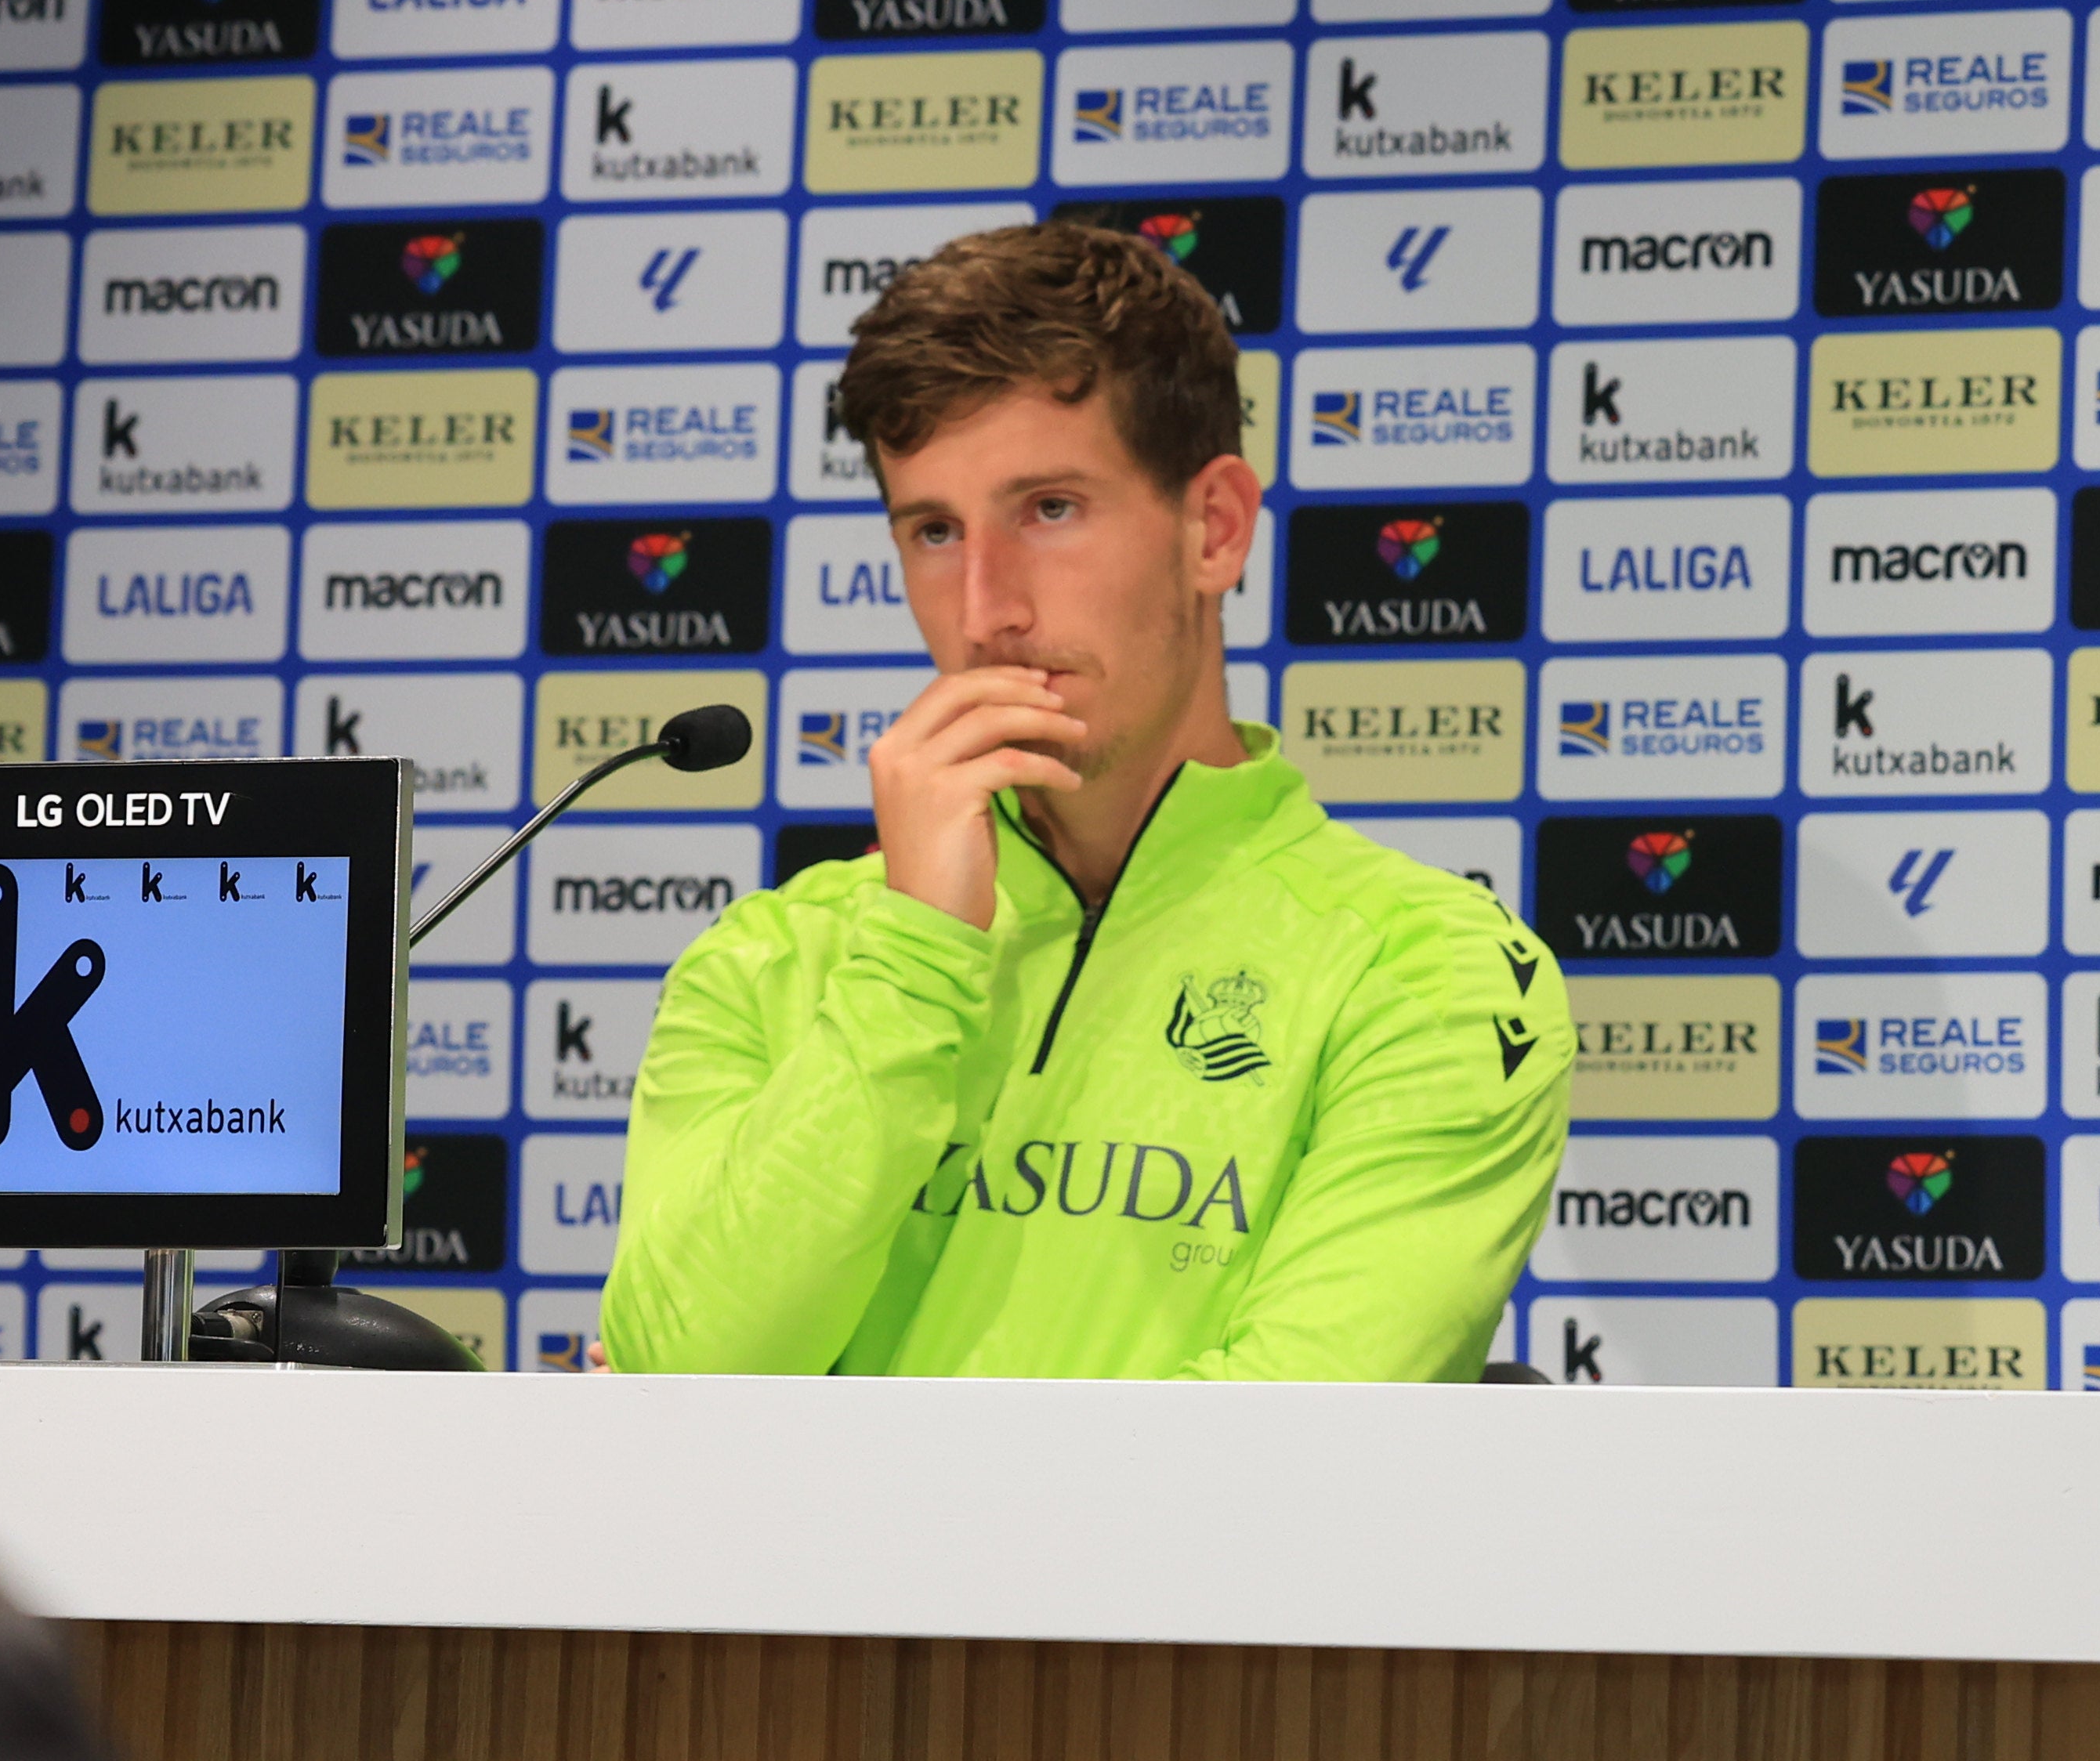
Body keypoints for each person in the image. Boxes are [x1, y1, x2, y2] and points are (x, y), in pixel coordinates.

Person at [599, 218, 1570, 1379]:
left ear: (1213, 528)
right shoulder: (774, 956)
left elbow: (1292, 1454)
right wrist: (916, 959)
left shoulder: (1432, 969)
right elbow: (673, 1391)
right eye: (935, 531)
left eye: (1049, 509)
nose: (986, 609)